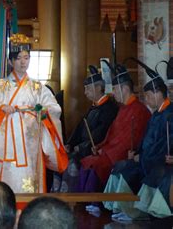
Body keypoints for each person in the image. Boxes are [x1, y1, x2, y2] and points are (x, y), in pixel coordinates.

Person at [0, 33, 67, 196]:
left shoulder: (37, 88)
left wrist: (43, 111)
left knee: (30, 182)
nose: (23, 62)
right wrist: (0, 107)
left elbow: (54, 108)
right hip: (4, 145)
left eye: (26, 58)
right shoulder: (0, 86)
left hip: (30, 145)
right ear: (10, 61)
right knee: (4, 185)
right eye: (19, 58)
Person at [102, 59, 173, 221]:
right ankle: (121, 208)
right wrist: (136, 152)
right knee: (121, 167)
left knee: (154, 175)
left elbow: (165, 144)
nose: (146, 100)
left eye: (147, 96)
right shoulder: (156, 114)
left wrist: (145, 157)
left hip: (160, 161)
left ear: (158, 93)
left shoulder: (170, 114)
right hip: (147, 159)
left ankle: (141, 213)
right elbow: (146, 139)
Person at [79, 63, 150, 196]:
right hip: (111, 151)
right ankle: (86, 200)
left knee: (95, 163)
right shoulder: (123, 109)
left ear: (125, 89)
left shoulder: (140, 110)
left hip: (123, 153)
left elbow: (128, 140)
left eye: (116, 90)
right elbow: (112, 133)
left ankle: (96, 202)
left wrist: (105, 151)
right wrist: (99, 146)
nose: (113, 93)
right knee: (88, 160)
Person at [52, 64, 118, 192]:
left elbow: (102, 133)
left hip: (93, 148)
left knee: (71, 162)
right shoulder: (93, 107)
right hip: (82, 146)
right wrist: (70, 144)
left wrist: (81, 147)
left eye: (88, 88)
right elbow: (80, 128)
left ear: (99, 88)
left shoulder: (109, 108)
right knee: (61, 157)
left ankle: (69, 198)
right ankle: (56, 193)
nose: (85, 92)